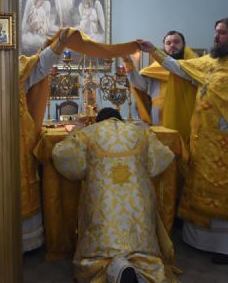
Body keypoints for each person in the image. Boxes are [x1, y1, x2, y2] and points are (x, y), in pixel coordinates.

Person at [138, 17, 228, 264]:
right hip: (204, 141)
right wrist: (153, 50)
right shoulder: (211, 61)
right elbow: (180, 67)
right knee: (198, 186)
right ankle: (200, 240)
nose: (216, 36)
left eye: (222, 32)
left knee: (224, 192)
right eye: (216, 31)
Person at [51, 107, 177, 283]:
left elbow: (62, 155)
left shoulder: (87, 134)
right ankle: (138, 266)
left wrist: (76, 130)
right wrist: (147, 131)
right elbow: (163, 157)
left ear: (98, 121)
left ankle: (116, 268)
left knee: (100, 253)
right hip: (137, 209)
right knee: (141, 247)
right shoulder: (141, 133)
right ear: (120, 119)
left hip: (103, 208)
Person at [19, 27, 69, 252]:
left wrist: (59, 45)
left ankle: (25, 240)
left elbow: (40, 65)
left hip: (20, 131)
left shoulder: (20, 66)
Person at [124, 31, 197, 143]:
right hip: (159, 119)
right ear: (164, 47)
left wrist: (153, 50)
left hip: (185, 115)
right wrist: (127, 61)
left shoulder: (191, 65)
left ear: (183, 44)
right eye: (168, 43)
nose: (172, 45)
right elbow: (141, 85)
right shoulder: (155, 68)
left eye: (176, 42)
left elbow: (175, 67)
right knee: (162, 149)